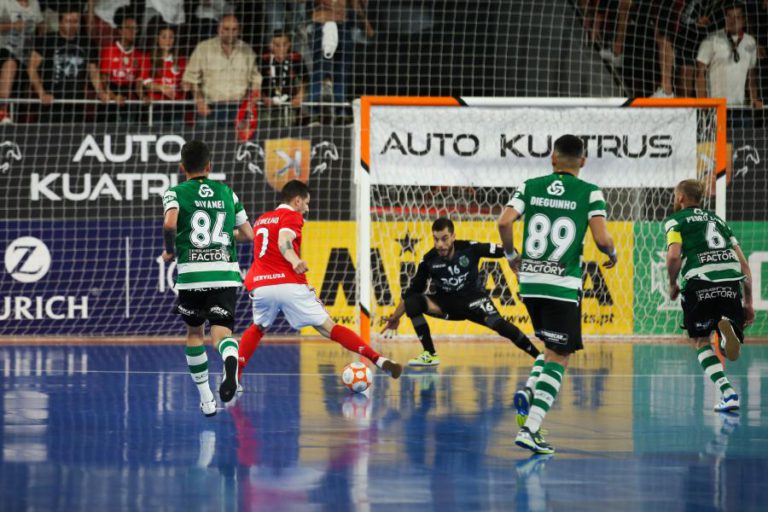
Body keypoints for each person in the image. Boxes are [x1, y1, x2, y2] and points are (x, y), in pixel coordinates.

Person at [498, 134, 617, 454]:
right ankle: (531, 428)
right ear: (583, 161)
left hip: (530, 283)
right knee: (561, 356)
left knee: (551, 347)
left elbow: (504, 221)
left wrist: (511, 257)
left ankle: (529, 389)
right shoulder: (590, 192)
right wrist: (613, 251)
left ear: (552, 158)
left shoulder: (530, 185)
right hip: (562, 285)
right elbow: (601, 237)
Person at [237, 180, 402, 384]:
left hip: (261, 286)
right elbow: (284, 240)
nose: (307, 208)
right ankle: (378, 359)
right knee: (329, 328)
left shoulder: (262, 219)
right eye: (306, 203)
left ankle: (236, 373)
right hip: (289, 283)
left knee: (258, 327)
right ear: (297, 201)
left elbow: (247, 237)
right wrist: (294, 259)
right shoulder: (292, 215)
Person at [161, 140, 255, 417]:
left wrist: (170, 250)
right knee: (222, 333)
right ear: (209, 166)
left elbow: (169, 223)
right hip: (225, 273)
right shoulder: (227, 192)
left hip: (192, 275)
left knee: (194, 334)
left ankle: (206, 400)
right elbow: (248, 234)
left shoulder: (175, 192)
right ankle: (229, 362)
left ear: (182, 168)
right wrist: (227, 237)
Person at [380, 217, 540, 367]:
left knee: (502, 327)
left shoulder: (470, 248)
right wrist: (396, 316)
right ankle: (430, 354)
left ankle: (539, 358)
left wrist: (514, 260)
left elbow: (506, 249)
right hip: (446, 306)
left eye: (444, 238)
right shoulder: (429, 260)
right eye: (436, 239)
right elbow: (411, 293)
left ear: (453, 236)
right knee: (413, 302)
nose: (440, 244)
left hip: (475, 302)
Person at [664, 179, 753, 413]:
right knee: (729, 348)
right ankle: (725, 337)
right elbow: (744, 264)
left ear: (681, 198)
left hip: (699, 281)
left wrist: (672, 283)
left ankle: (728, 393)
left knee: (701, 341)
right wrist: (749, 303)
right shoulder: (719, 221)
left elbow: (674, 256)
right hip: (730, 282)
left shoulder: (676, 220)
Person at [182, 14, 261, 128]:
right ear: (219, 29)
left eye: (234, 29)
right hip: (210, 108)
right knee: (205, 144)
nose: (230, 33)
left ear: (239, 30)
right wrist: (199, 101)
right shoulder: (203, 48)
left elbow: (256, 81)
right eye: (226, 29)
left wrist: (250, 103)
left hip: (239, 108)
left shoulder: (247, 50)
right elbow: (190, 79)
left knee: (239, 145)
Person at [27, 6, 102, 123]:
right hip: (50, 103)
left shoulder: (87, 43)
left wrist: (101, 92)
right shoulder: (47, 40)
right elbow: (31, 68)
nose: (72, 25)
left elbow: (93, 73)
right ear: (60, 22)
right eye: (68, 21)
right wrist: (42, 93)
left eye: (75, 21)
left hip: (76, 104)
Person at [308, 0, 373, 123]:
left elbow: (356, 4)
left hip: (342, 24)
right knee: (319, 70)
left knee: (342, 71)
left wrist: (365, 23)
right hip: (320, 23)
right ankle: (313, 112)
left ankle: (341, 111)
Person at [696, 1, 762, 108]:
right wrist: (703, 103)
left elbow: (751, 75)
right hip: (715, 107)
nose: (733, 21)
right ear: (724, 18)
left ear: (744, 20)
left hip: (740, 108)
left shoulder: (750, 42)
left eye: (737, 17)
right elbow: (700, 73)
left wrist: (754, 99)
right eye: (729, 16)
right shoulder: (711, 39)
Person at [98, 6, 150, 121]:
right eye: (129, 28)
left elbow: (139, 84)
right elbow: (104, 81)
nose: (133, 32)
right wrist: (114, 97)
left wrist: (143, 97)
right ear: (120, 30)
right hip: (111, 98)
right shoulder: (109, 51)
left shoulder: (141, 55)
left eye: (135, 29)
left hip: (130, 99)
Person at [0, 0, 44, 124]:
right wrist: (12, 25)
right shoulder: (4, 2)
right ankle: (2, 112)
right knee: (11, 64)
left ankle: (21, 120)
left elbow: (41, 23)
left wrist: (41, 42)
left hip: (25, 53)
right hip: (4, 49)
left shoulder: (34, 3)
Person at [259, 30, 307, 128]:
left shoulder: (296, 58)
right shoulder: (264, 59)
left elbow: (304, 79)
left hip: (290, 102)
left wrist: (300, 96)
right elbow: (255, 81)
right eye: (277, 45)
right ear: (271, 45)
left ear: (289, 45)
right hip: (267, 103)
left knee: (290, 130)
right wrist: (262, 96)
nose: (281, 49)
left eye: (284, 45)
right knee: (267, 130)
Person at [143, 23, 186, 125]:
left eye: (171, 37)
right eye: (164, 37)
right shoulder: (149, 58)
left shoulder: (182, 60)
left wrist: (185, 85)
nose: (168, 41)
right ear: (157, 39)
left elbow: (184, 81)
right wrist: (162, 88)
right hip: (156, 105)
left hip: (176, 105)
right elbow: (145, 82)